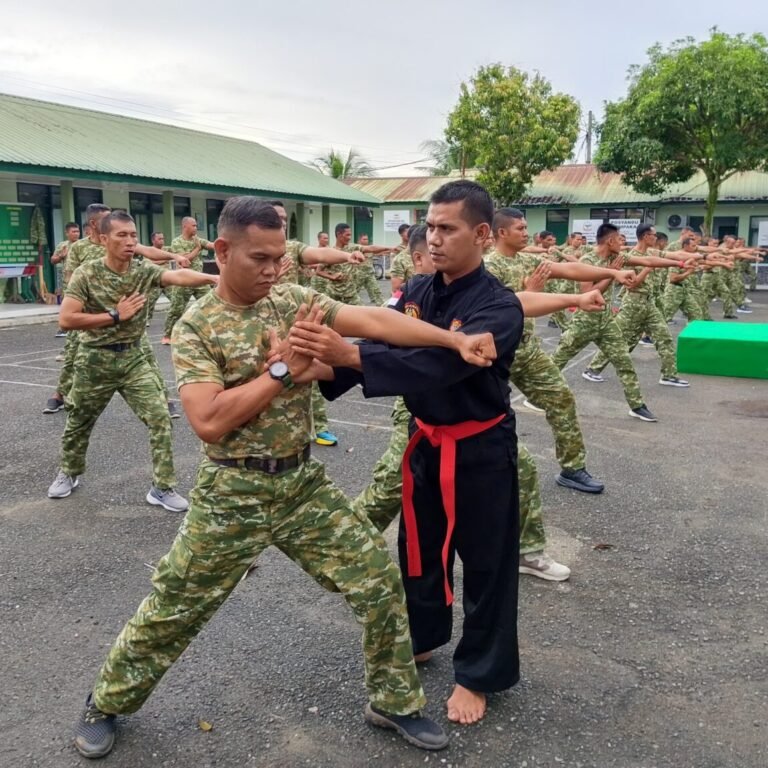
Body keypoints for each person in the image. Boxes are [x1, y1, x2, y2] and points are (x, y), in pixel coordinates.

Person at [72, 197, 498, 759]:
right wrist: (281, 372)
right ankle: (107, 702)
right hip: (232, 493)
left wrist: (451, 338)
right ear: (222, 252)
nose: (274, 270)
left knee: (376, 580)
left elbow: (374, 320)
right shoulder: (200, 324)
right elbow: (208, 420)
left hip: (301, 485)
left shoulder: (291, 299)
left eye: (279, 257)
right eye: (260, 258)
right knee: (175, 604)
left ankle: (394, 701)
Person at [298, 180, 528, 726]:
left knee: (489, 563)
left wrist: (350, 354)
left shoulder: (500, 306)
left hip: (481, 449)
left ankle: (479, 673)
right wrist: (328, 366)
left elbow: (441, 366)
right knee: (420, 551)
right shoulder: (421, 291)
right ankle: (424, 634)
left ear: (481, 234)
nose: (434, 237)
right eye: (430, 226)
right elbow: (386, 343)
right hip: (426, 443)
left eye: (447, 228)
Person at [349, 224, 606, 584]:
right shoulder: (411, 297)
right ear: (418, 258)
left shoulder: (472, 291)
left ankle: (527, 551)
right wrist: (345, 357)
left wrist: (574, 299)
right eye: (431, 246)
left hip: (470, 415)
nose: (440, 251)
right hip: (422, 417)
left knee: (523, 468)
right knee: (391, 488)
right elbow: (374, 329)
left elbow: (515, 301)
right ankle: (346, 546)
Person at [47, 211, 218, 508]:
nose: (129, 241)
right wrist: (114, 315)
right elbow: (67, 318)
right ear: (103, 239)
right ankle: (69, 472)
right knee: (79, 420)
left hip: (133, 358)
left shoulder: (142, 271)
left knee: (160, 417)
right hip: (94, 359)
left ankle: (162, 488)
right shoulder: (88, 273)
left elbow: (176, 275)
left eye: (133, 236)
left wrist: (214, 277)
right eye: (121, 235)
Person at [486, 208, 641, 493]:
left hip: (528, 351)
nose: (525, 231)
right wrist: (532, 291)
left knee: (562, 399)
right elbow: (504, 308)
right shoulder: (488, 267)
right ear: (501, 233)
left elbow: (571, 269)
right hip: (495, 356)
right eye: (519, 228)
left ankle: (572, 468)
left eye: (525, 227)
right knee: (486, 418)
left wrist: (612, 272)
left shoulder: (526, 260)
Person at [43, 205, 191, 415]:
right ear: (95, 225)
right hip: (92, 314)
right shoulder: (79, 248)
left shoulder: (121, 241)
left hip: (127, 314)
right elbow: (70, 279)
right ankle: (58, 395)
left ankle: (163, 400)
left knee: (146, 355)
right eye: (107, 219)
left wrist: (174, 257)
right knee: (73, 355)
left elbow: (148, 251)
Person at [551, 223, 675, 422]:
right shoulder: (588, 260)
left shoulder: (617, 257)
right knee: (558, 360)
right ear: (610, 241)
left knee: (623, 361)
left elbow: (649, 260)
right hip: (585, 321)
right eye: (619, 239)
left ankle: (636, 405)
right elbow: (587, 294)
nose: (623, 242)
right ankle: (537, 395)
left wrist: (677, 264)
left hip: (606, 320)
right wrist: (610, 273)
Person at [269, 201, 366, 446]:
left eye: (283, 218)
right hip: (262, 326)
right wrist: (272, 277)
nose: (281, 222)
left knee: (307, 371)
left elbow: (319, 254)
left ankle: (318, 426)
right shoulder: (250, 250)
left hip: (294, 323)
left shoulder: (291, 248)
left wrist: (346, 255)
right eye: (274, 218)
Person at [584, 223, 693, 388]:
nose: (656, 238)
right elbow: (631, 285)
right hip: (633, 304)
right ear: (645, 236)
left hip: (649, 303)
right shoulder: (628, 257)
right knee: (619, 340)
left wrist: (681, 263)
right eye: (653, 235)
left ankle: (669, 375)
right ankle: (592, 369)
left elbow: (664, 257)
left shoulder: (650, 253)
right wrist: (647, 270)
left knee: (664, 337)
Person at [161, 218, 215, 343]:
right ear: (185, 226)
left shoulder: (198, 240)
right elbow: (185, 260)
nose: (196, 228)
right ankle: (167, 335)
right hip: (183, 280)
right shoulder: (177, 242)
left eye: (196, 225)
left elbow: (211, 245)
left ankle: (211, 334)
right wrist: (197, 249)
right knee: (176, 309)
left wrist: (222, 243)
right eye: (194, 225)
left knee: (210, 304)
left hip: (199, 281)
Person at [51, 221, 81, 338]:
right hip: (67, 281)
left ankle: (80, 327)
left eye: (77, 231)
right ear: (67, 233)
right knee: (66, 304)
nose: (76, 234)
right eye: (73, 232)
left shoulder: (83, 245)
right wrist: (61, 256)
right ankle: (64, 328)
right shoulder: (62, 246)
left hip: (82, 279)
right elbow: (53, 260)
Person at [390, 223, 414, 291]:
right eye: (406, 232)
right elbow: (394, 270)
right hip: (403, 286)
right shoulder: (397, 250)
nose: (409, 234)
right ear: (401, 235)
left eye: (410, 232)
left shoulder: (416, 248)